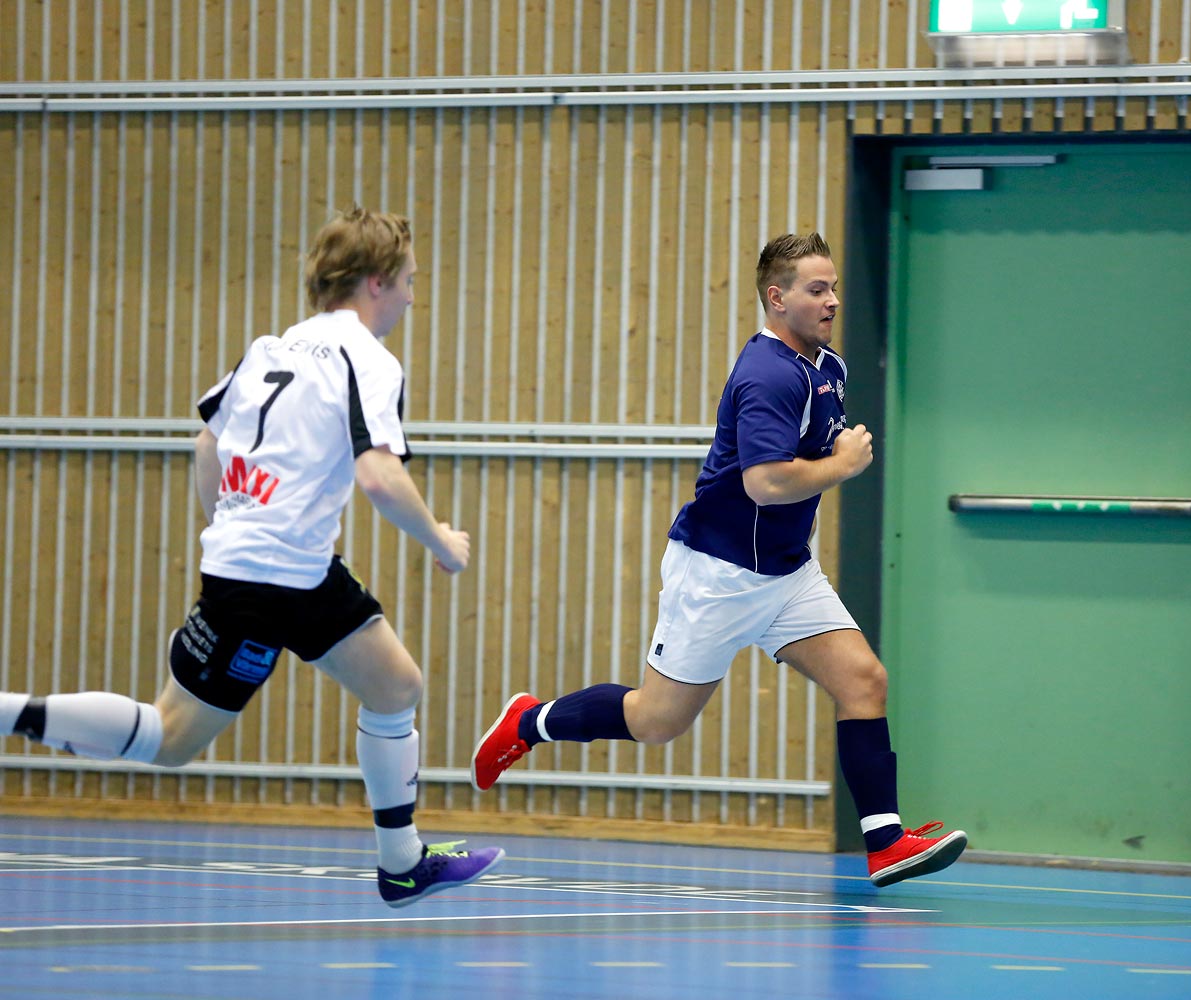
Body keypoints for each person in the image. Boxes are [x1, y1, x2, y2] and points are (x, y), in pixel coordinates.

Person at [0, 207, 503, 907]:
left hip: (289, 568)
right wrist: (442, 543)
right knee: (169, 738)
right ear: (377, 283)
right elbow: (380, 476)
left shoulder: (270, 348)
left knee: (396, 685)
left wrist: (230, 524)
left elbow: (208, 444)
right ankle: (5, 711)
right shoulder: (368, 359)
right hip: (272, 577)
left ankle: (402, 862)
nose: (414, 298)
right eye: (411, 282)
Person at [471, 232, 966, 887]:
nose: (833, 301)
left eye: (834, 287)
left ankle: (885, 842)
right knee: (656, 722)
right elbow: (764, 482)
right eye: (817, 290)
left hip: (787, 573)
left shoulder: (829, 368)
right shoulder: (767, 374)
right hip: (719, 575)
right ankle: (530, 721)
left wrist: (830, 454)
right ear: (776, 297)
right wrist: (842, 464)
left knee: (863, 681)